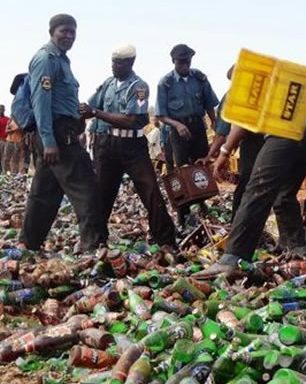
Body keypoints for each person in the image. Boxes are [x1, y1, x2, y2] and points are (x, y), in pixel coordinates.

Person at [193, 106, 306, 282]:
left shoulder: (252, 84)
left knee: (258, 189)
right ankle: (296, 247)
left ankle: (234, 258)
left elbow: (241, 125)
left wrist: (224, 154)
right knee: (285, 195)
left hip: (285, 129)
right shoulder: (303, 100)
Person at [21, 14, 107, 252]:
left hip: (60, 131)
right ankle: (94, 249)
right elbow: (41, 101)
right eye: (64, 31)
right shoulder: (46, 59)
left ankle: (28, 244)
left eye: (72, 32)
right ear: (52, 31)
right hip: (56, 135)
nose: (69, 36)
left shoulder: (61, 61)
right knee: (86, 188)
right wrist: (48, 141)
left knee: (44, 193)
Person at [82, 44, 176, 247]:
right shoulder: (108, 84)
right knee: (102, 193)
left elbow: (130, 119)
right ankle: (96, 239)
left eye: (118, 63)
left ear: (130, 62)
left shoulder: (138, 86)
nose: (114, 66)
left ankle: (166, 239)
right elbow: (90, 105)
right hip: (108, 144)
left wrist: (96, 113)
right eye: (112, 62)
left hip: (132, 146)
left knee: (149, 190)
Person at [155, 44, 219, 229]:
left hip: (198, 126)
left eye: (188, 62)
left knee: (200, 165)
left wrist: (215, 124)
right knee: (180, 171)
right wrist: (177, 125)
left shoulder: (199, 78)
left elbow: (209, 104)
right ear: (173, 61)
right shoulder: (165, 83)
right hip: (176, 130)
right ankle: (183, 214)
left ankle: (201, 201)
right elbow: (161, 115)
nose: (185, 65)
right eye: (181, 62)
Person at [200, 65, 266, 220]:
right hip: (272, 143)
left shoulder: (233, 96)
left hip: (253, 143)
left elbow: (223, 133)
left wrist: (213, 155)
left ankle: (239, 222)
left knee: (247, 184)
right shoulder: (265, 91)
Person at [0, 105, 9, 173]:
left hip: (6, 141)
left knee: (5, 157)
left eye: (2, 109)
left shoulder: (7, 119)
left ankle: (4, 172)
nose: (1, 110)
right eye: (0, 109)